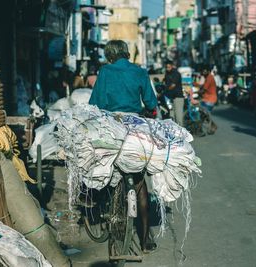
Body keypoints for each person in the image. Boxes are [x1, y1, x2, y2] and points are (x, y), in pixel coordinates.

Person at [89, 40, 157, 252]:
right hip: (135, 129)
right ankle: (146, 240)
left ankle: (104, 205)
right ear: (126, 53)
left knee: (105, 168)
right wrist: (150, 113)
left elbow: (94, 104)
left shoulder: (106, 72)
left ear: (110, 56)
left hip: (111, 127)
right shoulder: (139, 71)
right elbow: (152, 105)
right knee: (139, 183)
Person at [164, 60, 184, 126]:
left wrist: (165, 90)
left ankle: (182, 134)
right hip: (170, 97)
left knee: (178, 118)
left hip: (178, 97)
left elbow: (173, 85)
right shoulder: (167, 74)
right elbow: (165, 83)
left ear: (172, 66)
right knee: (172, 117)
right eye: (166, 67)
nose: (168, 69)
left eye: (169, 67)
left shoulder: (176, 73)